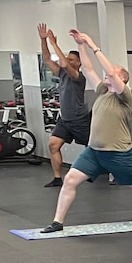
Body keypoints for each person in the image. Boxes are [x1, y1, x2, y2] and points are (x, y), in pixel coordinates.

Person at [40, 30, 132, 232]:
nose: (108, 74)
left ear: (122, 79)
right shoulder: (102, 90)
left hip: (119, 154)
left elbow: (109, 71)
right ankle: (57, 222)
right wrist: (81, 45)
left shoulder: (124, 96)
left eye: (114, 73)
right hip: (93, 152)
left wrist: (92, 44)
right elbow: (88, 68)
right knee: (70, 180)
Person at [37, 24, 90, 188]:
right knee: (53, 145)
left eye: (72, 59)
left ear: (79, 63)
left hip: (80, 119)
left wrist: (54, 43)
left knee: (97, 147)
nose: (67, 61)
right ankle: (57, 178)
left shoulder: (78, 77)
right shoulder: (61, 74)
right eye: (67, 58)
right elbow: (46, 59)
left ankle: (112, 173)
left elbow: (65, 64)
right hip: (65, 120)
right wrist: (43, 40)